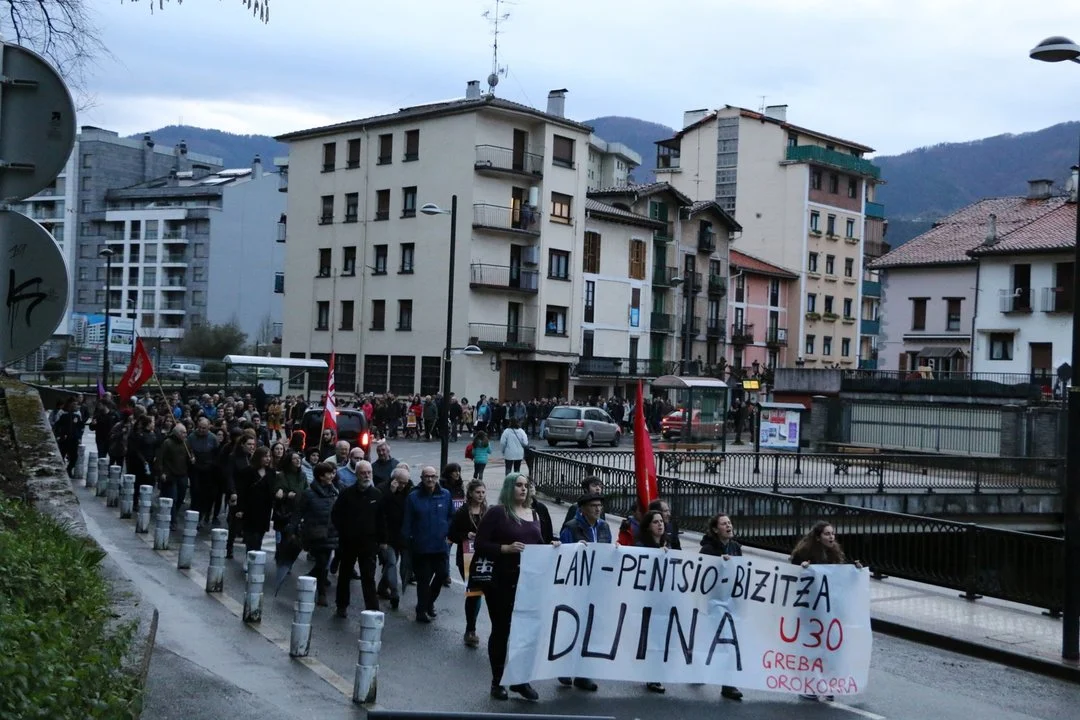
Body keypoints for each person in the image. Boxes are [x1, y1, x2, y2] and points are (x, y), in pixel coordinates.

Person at [474, 473, 556, 702]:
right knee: (502, 630)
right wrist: (505, 549)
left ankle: (520, 680)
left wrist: (554, 546)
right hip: (500, 581)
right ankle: (497, 681)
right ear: (509, 488)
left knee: (525, 632)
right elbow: (480, 544)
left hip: (527, 583)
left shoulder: (534, 513)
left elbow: (540, 545)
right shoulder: (497, 513)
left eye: (525, 485)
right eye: (518, 485)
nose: (523, 489)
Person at [790, 521, 862, 702]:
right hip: (811, 611)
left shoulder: (834, 554)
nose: (831, 537)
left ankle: (828, 684)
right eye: (827, 534)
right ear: (818, 537)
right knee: (812, 649)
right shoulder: (803, 554)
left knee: (830, 648)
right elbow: (793, 576)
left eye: (833, 534)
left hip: (830, 611)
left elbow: (840, 579)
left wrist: (855, 571)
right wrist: (802, 568)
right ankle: (810, 684)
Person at [556, 492, 611, 692]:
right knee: (571, 626)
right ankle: (563, 667)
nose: (598, 509)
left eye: (599, 505)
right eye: (593, 506)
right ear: (582, 509)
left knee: (590, 628)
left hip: (596, 585)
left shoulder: (604, 527)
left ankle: (582, 673)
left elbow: (607, 553)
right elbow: (564, 555)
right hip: (576, 585)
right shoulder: (571, 527)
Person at [331, 460, 386, 618]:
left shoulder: (377, 494)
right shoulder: (347, 493)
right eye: (363, 473)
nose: (366, 476)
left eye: (369, 473)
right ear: (356, 474)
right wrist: (344, 531)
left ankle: (372, 609)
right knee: (345, 575)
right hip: (348, 542)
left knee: (368, 577)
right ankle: (341, 605)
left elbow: (382, 519)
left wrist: (383, 540)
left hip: (369, 544)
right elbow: (336, 514)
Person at [699, 513, 744, 702]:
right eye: (724, 524)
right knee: (708, 640)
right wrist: (719, 564)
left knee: (728, 642)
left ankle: (728, 684)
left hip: (730, 601)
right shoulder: (708, 549)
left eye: (729, 523)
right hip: (713, 602)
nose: (728, 526)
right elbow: (702, 574)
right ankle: (698, 668)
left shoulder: (736, 548)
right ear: (716, 529)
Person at [402, 465, 454, 623]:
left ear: (437, 478)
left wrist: (448, 532)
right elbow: (407, 522)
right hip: (421, 547)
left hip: (440, 546)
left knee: (442, 575)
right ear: (422, 478)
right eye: (427, 476)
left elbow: (451, 516)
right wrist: (406, 542)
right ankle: (421, 611)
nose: (430, 479)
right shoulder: (413, 497)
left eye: (433, 476)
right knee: (423, 581)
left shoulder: (445, 495)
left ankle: (428, 602)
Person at [289, 461, 340, 607]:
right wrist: (292, 530)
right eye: (328, 474)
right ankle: (321, 593)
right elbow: (299, 512)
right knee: (322, 562)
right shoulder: (309, 494)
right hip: (314, 534)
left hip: (331, 533)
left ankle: (310, 579)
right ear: (321, 476)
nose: (332, 476)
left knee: (323, 564)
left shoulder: (335, 492)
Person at [448, 479, 487, 648]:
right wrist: (466, 535)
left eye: (483, 492)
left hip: (484, 557)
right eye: (478, 492)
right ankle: (470, 629)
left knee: (483, 591)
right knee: (474, 592)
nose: (481, 495)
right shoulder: (463, 512)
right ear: (470, 493)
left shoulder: (487, 511)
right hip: (466, 557)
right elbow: (452, 534)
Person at [635, 509, 670, 694]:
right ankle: (651, 675)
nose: (660, 524)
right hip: (647, 600)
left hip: (663, 600)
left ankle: (655, 673)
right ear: (648, 526)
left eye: (661, 521)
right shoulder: (641, 546)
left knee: (659, 637)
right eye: (656, 522)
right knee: (649, 637)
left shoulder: (668, 545)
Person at [376, 465, 412, 609]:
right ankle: (394, 593)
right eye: (400, 482)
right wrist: (390, 493)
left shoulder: (409, 490)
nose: (402, 486)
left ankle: (382, 587)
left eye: (405, 483)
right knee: (391, 562)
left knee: (399, 563)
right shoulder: (382, 489)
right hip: (387, 535)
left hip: (402, 535)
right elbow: (379, 510)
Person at [236, 445, 277, 552]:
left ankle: (256, 556)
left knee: (259, 537)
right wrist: (240, 508)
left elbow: (272, 490)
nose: (268, 459)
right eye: (265, 456)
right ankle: (250, 555)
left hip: (265, 509)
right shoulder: (248, 471)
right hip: (250, 508)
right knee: (250, 536)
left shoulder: (271, 472)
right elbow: (242, 491)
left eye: (269, 456)